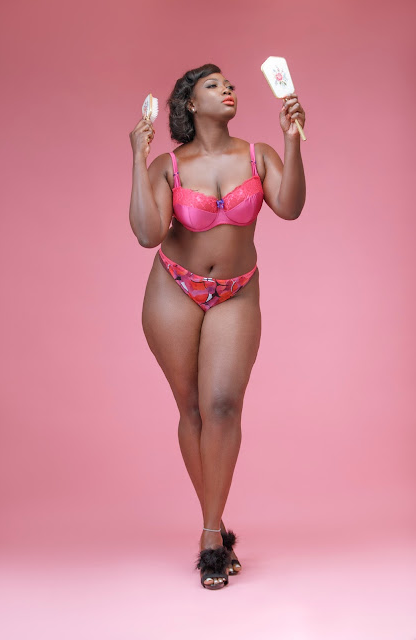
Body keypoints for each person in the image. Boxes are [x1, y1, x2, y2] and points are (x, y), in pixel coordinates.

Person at [129, 63, 306, 590]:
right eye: (213, 85)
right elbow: (146, 234)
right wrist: (137, 159)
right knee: (191, 410)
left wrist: (291, 139)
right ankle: (215, 527)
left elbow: (291, 208)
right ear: (190, 104)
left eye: (228, 84)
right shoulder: (168, 165)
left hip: (237, 289)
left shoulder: (257, 155)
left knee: (223, 404)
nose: (227, 89)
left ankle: (210, 534)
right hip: (174, 288)